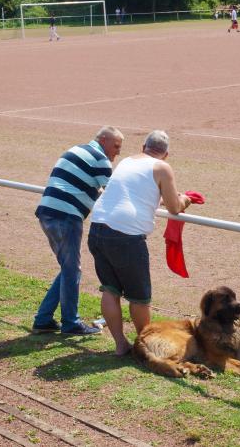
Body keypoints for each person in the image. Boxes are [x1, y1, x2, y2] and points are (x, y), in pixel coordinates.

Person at [87, 130, 192, 356]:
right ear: (166, 154)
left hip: (97, 228)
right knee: (139, 297)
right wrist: (186, 199)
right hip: (125, 237)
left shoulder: (127, 161)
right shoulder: (162, 167)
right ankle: (146, 348)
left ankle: (120, 344)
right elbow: (175, 207)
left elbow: (136, 191)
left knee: (110, 289)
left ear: (143, 146)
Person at [32, 126, 124, 335]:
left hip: (48, 212)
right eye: (116, 146)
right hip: (66, 216)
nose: (118, 151)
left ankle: (43, 319)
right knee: (72, 270)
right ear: (103, 141)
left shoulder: (78, 150)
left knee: (68, 268)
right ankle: (71, 323)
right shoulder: (101, 159)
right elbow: (114, 194)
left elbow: (96, 190)